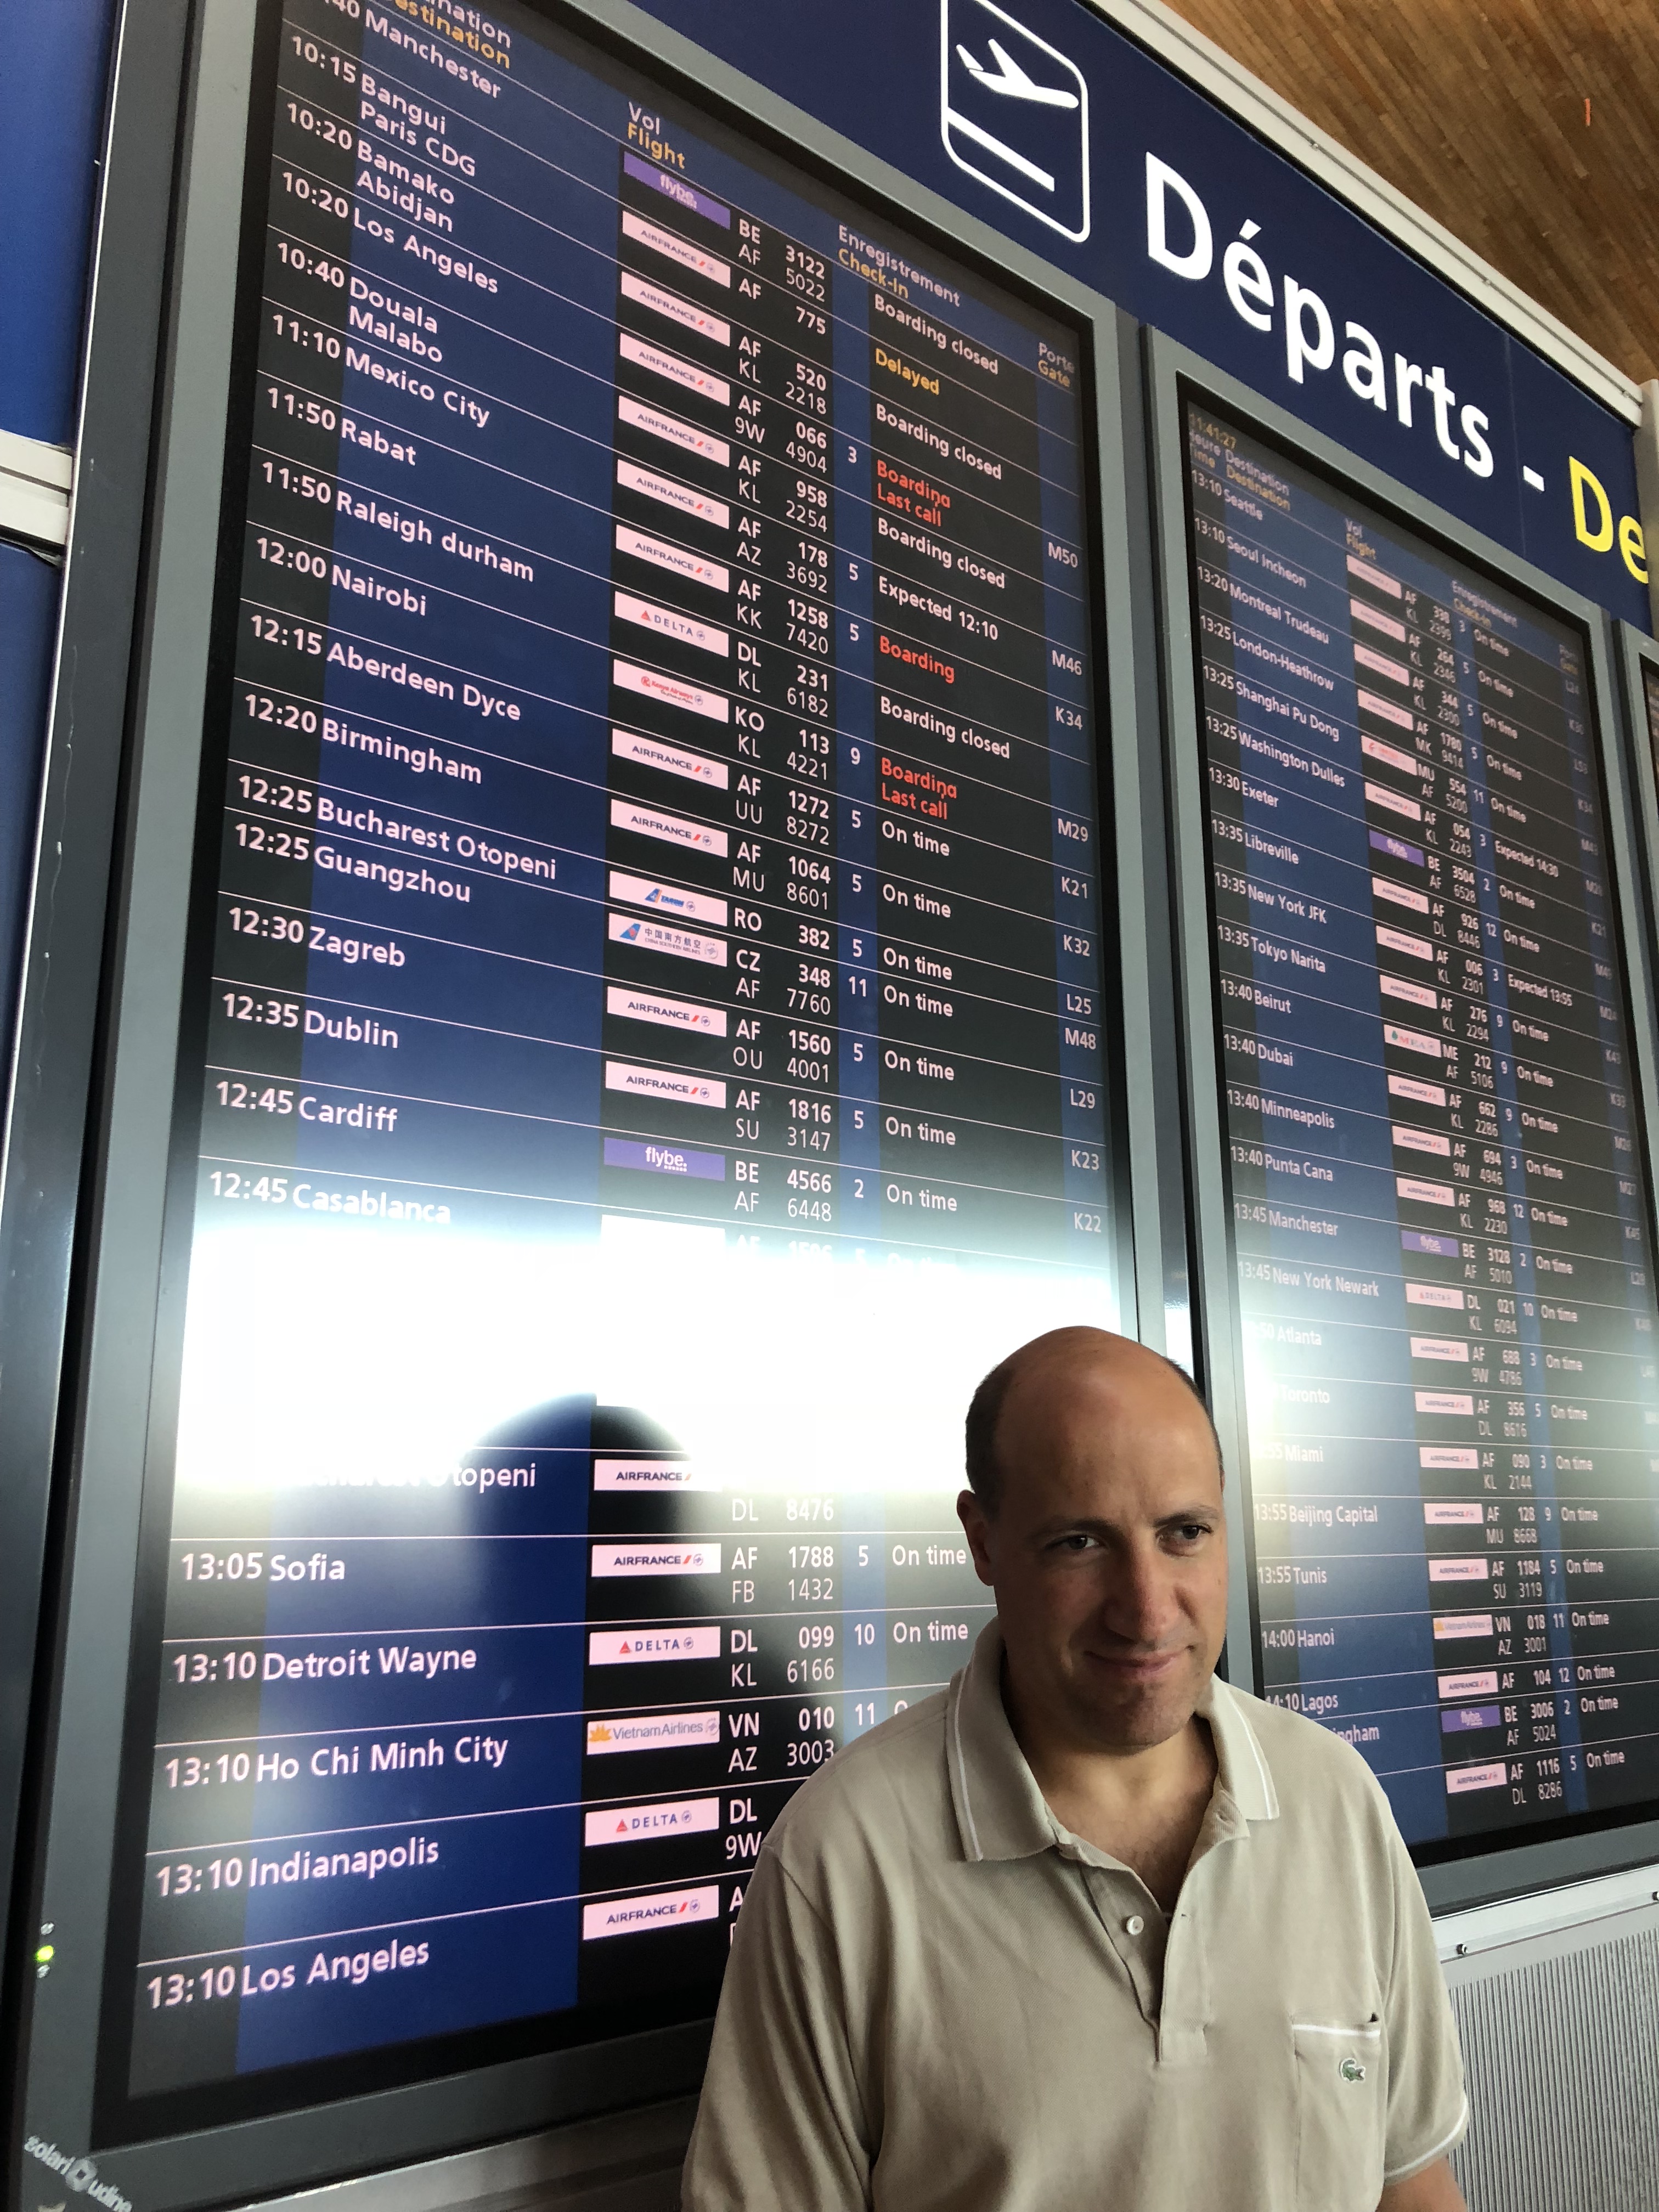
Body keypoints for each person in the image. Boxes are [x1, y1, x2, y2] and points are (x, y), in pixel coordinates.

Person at [682, 1326, 1469, 2211]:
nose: (1144, 1611)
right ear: (982, 1542)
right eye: (1078, 1544)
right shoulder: (838, 1862)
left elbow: (1411, 2184)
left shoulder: (1335, 1797)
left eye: (1185, 1532)